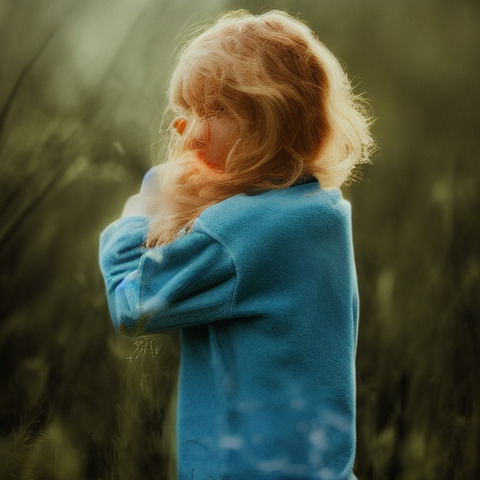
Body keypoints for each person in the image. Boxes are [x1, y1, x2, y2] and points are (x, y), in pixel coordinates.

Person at [99, 9, 374, 480]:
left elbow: (132, 302)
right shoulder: (323, 214)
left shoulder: (244, 231)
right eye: (187, 112)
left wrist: (145, 203)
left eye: (212, 110)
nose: (188, 129)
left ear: (268, 117)